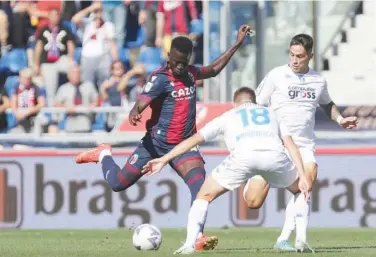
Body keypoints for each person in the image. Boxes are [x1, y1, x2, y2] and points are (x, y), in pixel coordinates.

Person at [75, 24, 253, 251]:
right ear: (169, 56)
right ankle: (103, 154)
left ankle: (196, 237)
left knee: (200, 189)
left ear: (189, 58)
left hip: (184, 146)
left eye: (184, 62)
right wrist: (136, 111)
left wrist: (237, 43)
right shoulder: (159, 78)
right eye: (175, 61)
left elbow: (214, 69)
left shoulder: (190, 73)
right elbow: (142, 100)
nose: (179, 66)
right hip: (154, 145)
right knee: (118, 184)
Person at [142, 87, 312, 255]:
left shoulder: (228, 116)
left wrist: (164, 159)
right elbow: (291, 145)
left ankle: (189, 244)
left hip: (243, 157)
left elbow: (194, 139)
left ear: (234, 103)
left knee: (203, 197)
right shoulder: (272, 114)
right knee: (300, 190)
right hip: (275, 156)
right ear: (255, 101)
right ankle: (301, 238)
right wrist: (303, 176)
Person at [245, 34, 358, 252]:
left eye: (300, 56)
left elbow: (327, 104)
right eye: (292, 55)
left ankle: (285, 238)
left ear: (310, 56)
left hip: (304, 145)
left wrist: (341, 119)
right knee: (253, 202)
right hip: (275, 144)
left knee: (307, 179)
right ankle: (251, 177)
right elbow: (257, 105)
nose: (295, 60)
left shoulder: (318, 80)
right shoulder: (276, 75)